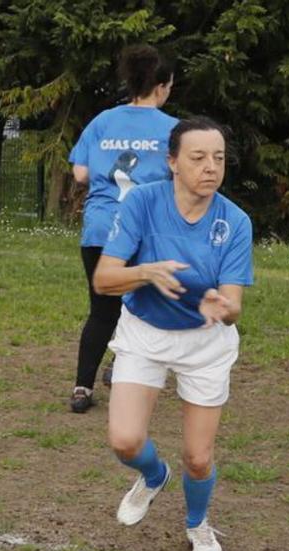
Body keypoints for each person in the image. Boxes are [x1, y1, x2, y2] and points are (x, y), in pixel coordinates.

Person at [93, 117, 253, 551]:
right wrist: (146, 272)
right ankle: (153, 475)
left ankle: (197, 523)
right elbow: (104, 278)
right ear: (172, 162)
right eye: (198, 157)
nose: (210, 167)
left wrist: (221, 305)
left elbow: (235, 303)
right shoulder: (143, 202)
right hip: (145, 334)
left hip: (205, 344)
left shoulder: (235, 221)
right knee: (125, 440)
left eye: (218, 158)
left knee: (198, 458)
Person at [67, 44, 177, 413]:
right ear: (162, 86)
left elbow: (80, 173)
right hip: (144, 230)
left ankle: (82, 388)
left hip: (100, 228)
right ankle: (122, 366)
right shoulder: (173, 130)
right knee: (142, 305)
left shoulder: (102, 121)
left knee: (101, 310)